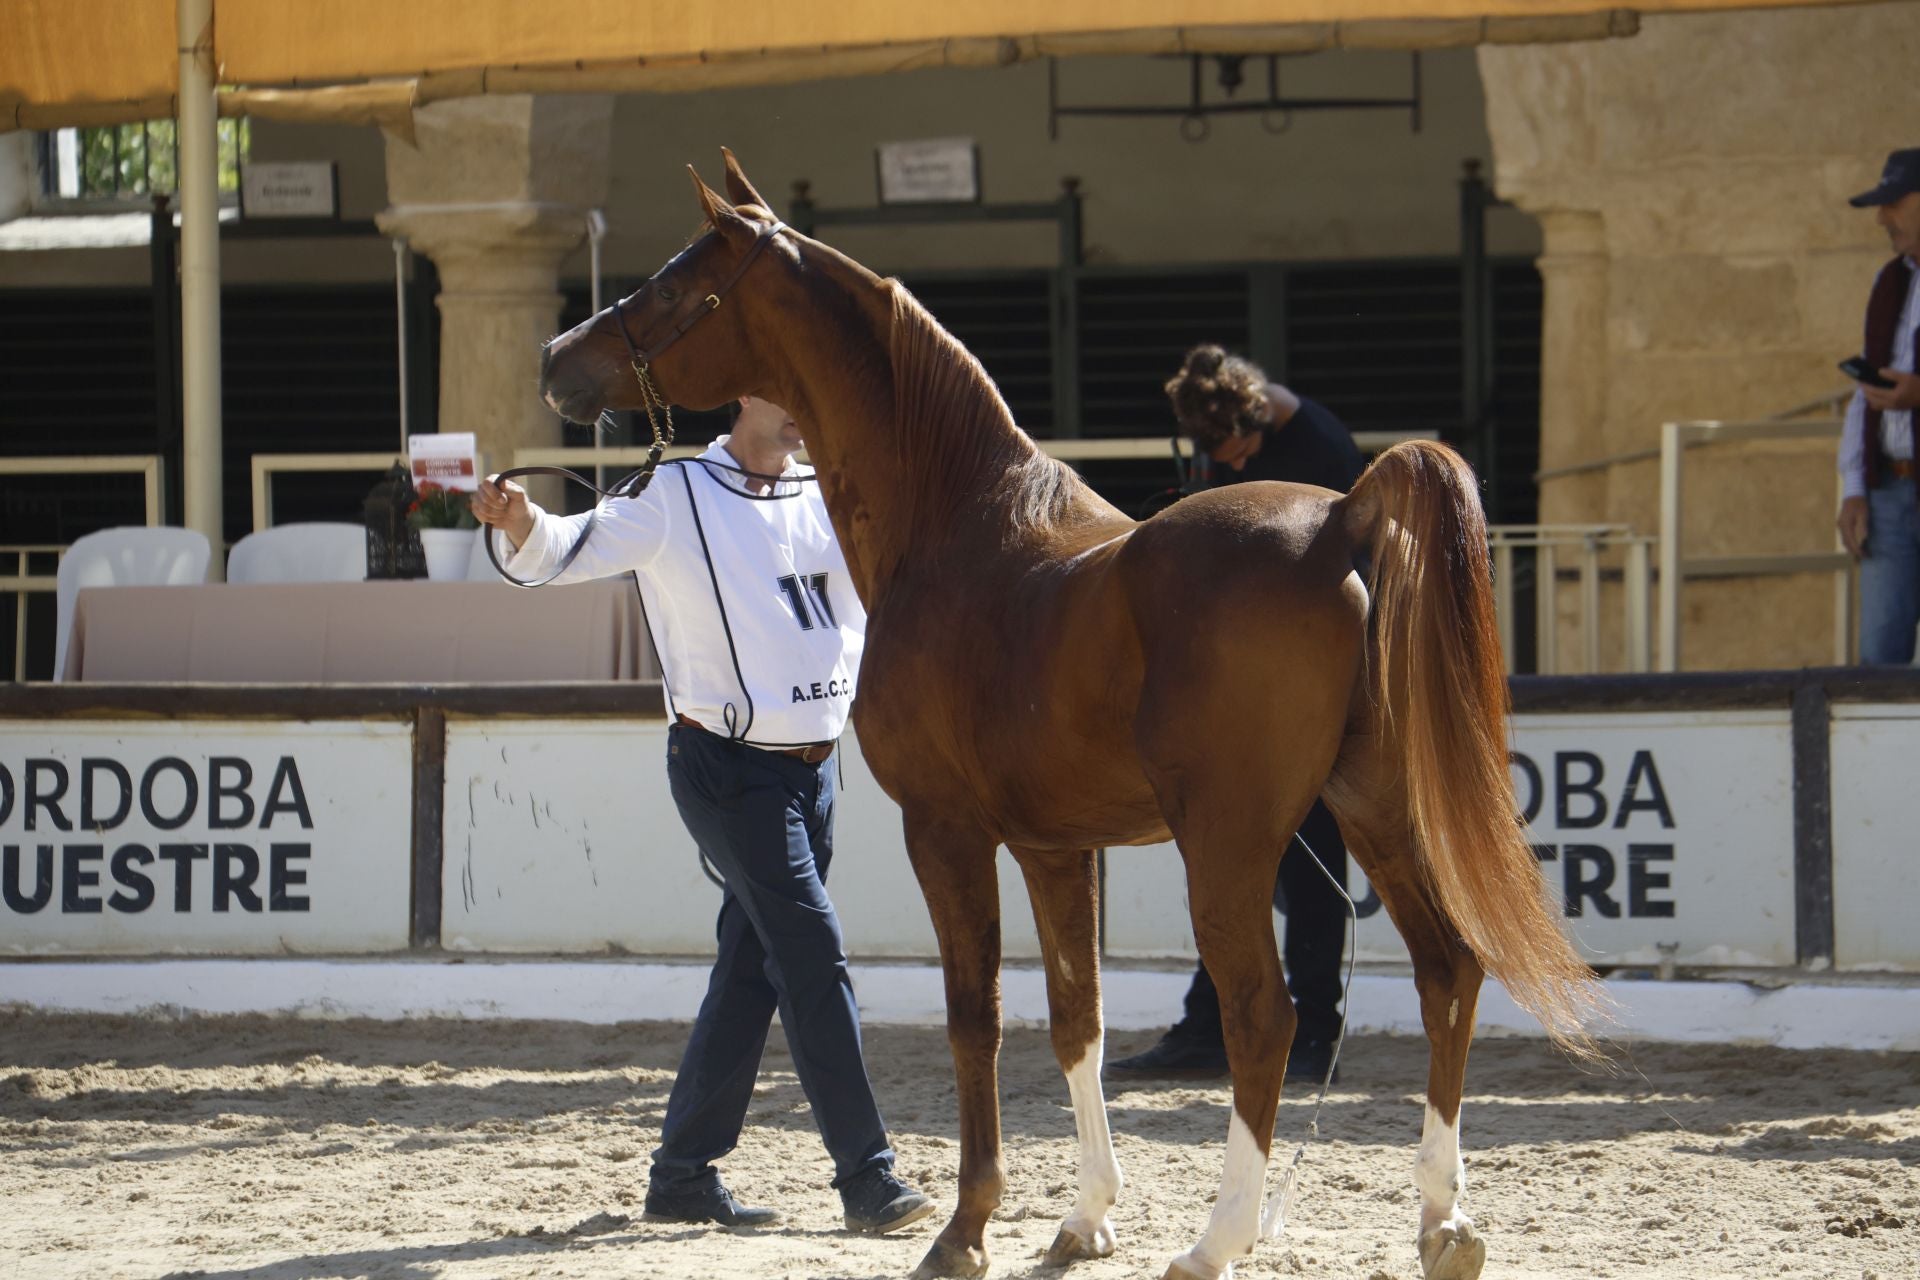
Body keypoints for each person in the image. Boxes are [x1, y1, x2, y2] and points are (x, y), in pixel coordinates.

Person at [471, 396, 934, 1235]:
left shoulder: (829, 488)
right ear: (747, 396)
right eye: (787, 391)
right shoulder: (676, 493)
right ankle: (868, 1176)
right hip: (731, 773)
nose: (805, 409)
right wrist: (523, 521)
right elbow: (567, 550)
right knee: (811, 953)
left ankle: (682, 1173)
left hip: (817, 771)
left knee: (753, 966)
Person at [1107, 345, 1362, 1085]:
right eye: (1220, 455)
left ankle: (1314, 1030)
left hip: (1307, 685)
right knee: (1236, 864)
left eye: (1239, 449)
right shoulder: (1240, 447)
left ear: (1256, 415)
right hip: (1249, 688)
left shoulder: (1320, 447)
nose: (1234, 464)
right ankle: (1211, 1025)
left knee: (1310, 874)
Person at [1837, 148, 1920, 664]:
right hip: (1889, 492)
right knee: (1877, 667)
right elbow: (1863, 394)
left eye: (1894, 203)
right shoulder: (1890, 280)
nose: (1882, 218)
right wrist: (1854, 487)